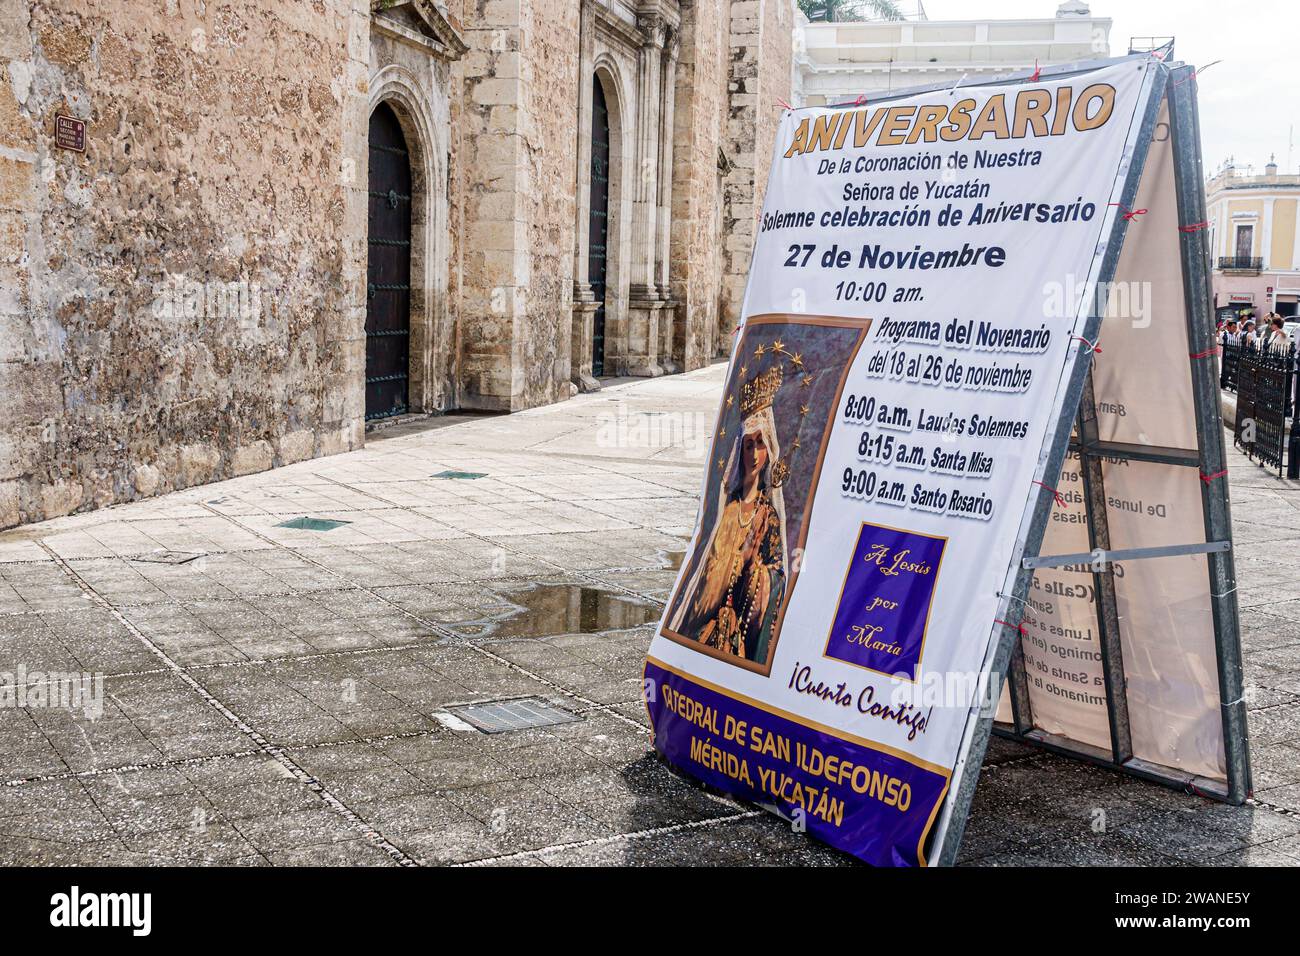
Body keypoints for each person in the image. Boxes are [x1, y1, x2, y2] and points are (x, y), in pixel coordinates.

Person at [669, 364, 789, 665]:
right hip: (709, 628)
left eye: (760, 445)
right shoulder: (730, 509)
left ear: (768, 450)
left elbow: (778, 575)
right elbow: (705, 575)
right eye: (748, 446)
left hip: (741, 632)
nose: (754, 455)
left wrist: (754, 569)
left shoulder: (768, 516)